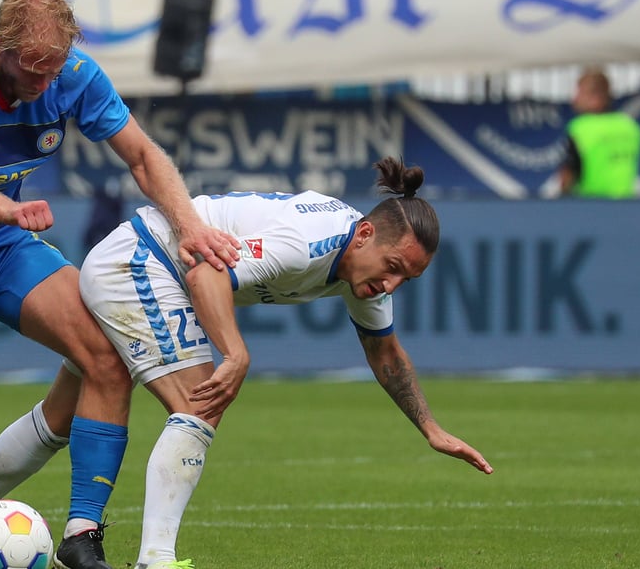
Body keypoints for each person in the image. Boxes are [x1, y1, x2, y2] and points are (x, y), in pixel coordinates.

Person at [0, 0, 240, 567]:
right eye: (31, 68)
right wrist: (4, 208)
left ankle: (80, 540)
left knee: (108, 356)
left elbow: (139, 154)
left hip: (3, 248)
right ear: (1, 47)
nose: (43, 81)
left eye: (52, 66)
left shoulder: (75, 74)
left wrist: (188, 225)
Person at [74, 157, 494, 569]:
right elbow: (206, 274)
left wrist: (430, 428)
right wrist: (236, 352)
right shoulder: (308, 243)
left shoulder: (364, 264)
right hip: (143, 258)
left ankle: (61, 535)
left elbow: (385, 352)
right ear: (365, 233)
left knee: (61, 416)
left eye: (407, 279)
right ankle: (155, 559)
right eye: (393, 268)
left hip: (152, 263)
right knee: (200, 404)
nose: (392, 286)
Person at [558, 67, 640, 199]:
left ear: (595, 98)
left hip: (591, 204)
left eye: (580, 94)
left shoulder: (581, 127)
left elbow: (569, 172)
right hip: (627, 204)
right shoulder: (630, 127)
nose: (574, 99)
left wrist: (561, 198)